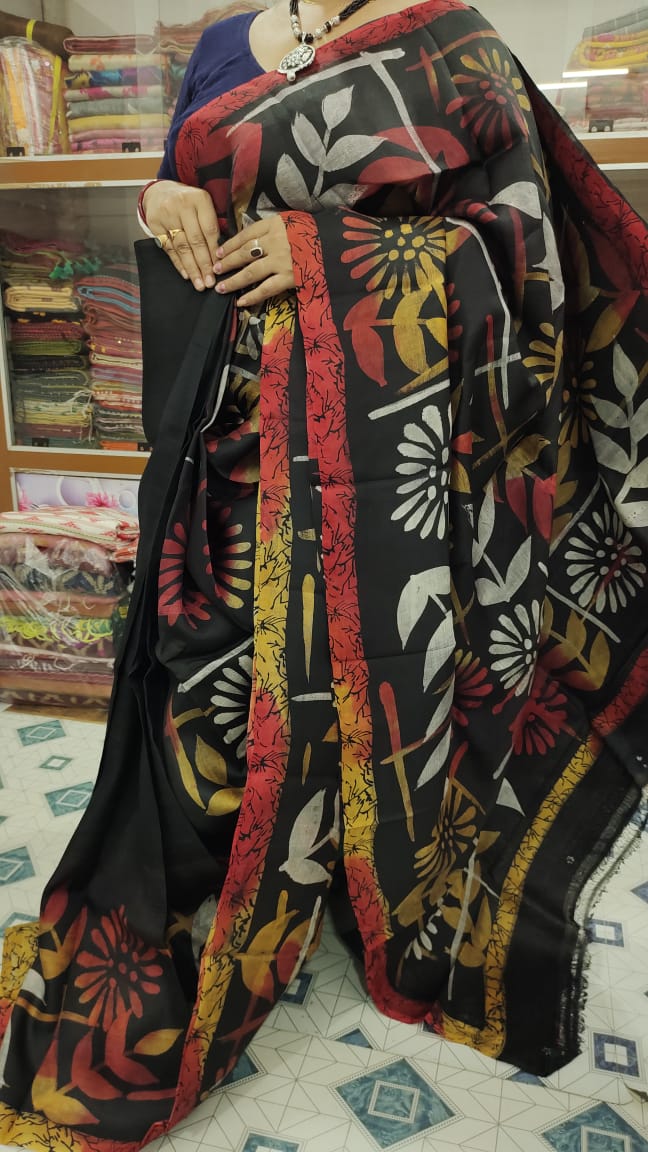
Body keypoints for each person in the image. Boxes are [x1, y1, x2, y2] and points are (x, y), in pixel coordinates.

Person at [1, 0, 647, 1149]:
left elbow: (522, 253)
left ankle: (364, 874)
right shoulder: (219, 43)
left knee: (362, 674)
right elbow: (180, 178)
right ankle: (204, 885)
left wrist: (324, 253)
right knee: (203, 673)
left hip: (380, 453)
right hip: (224, 425)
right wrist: (158, 200)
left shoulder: (451, 44)